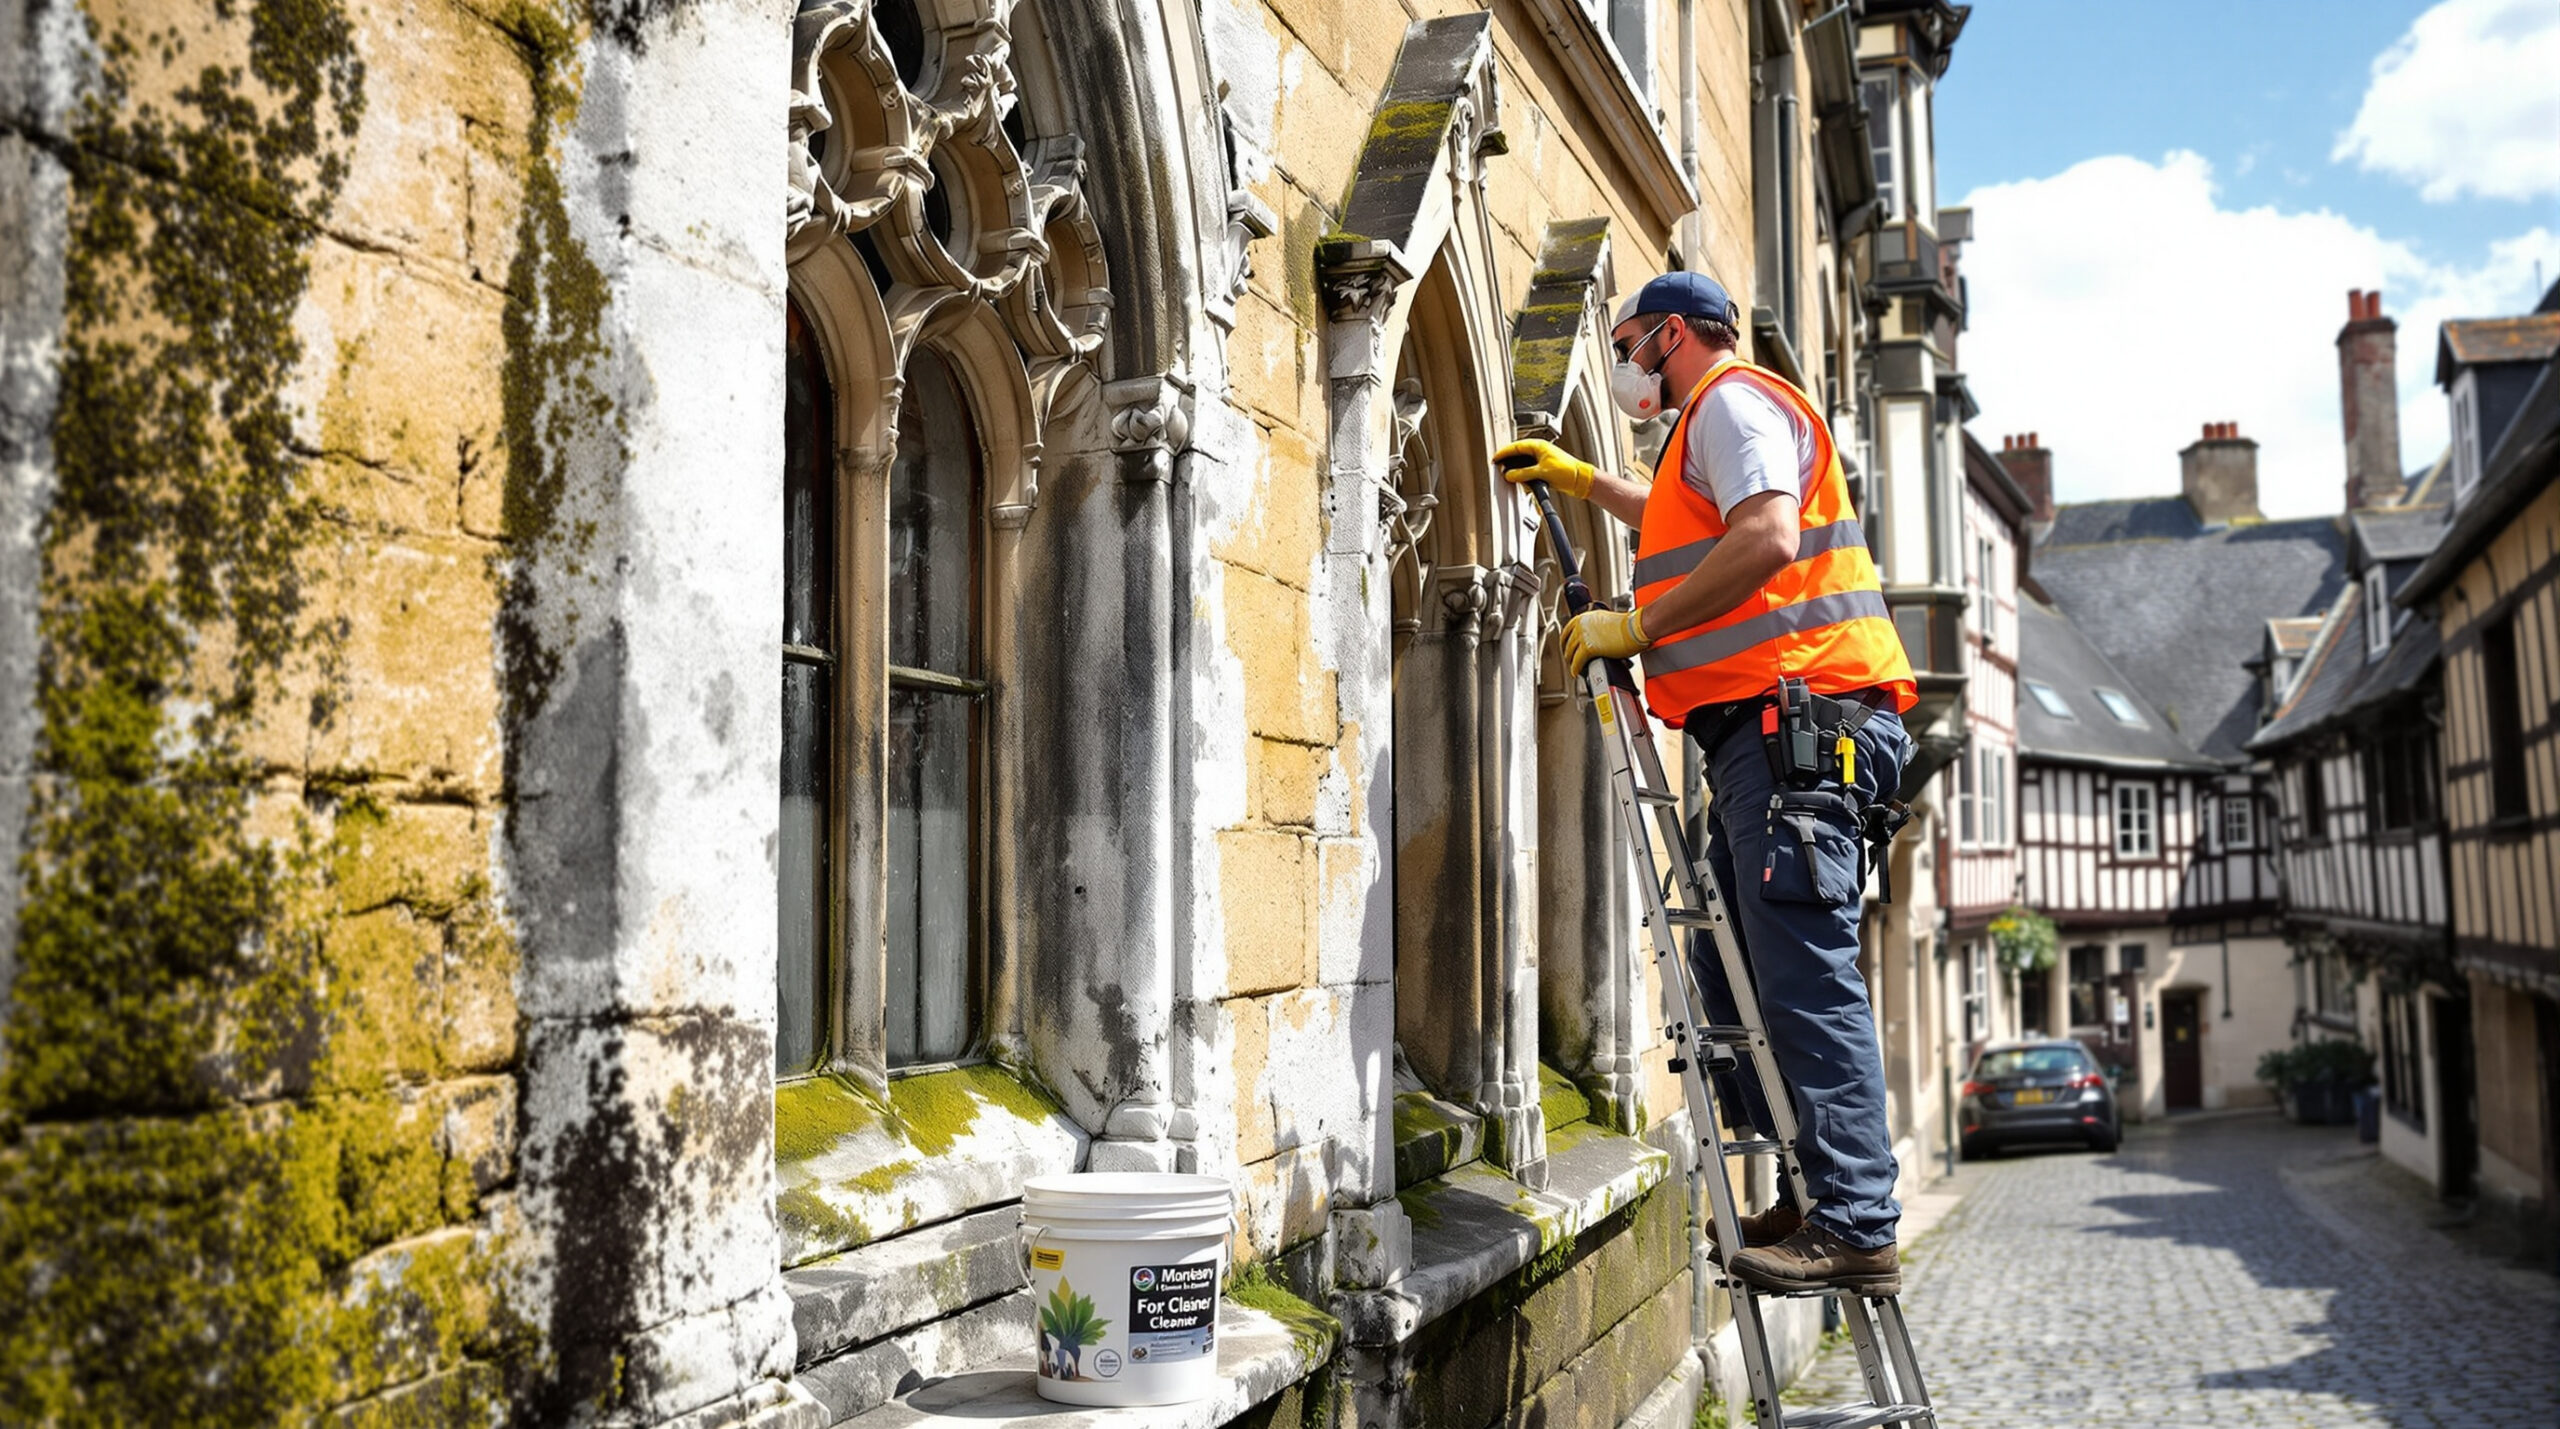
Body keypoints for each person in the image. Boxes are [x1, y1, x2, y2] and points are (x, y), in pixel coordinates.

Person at [1495, 270, 1918, 1296]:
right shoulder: (1710, 425)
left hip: (1798, 724)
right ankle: (1817, 1196)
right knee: (1738, 979)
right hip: (1764, 735)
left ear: (1674, 333)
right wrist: (1586, 480)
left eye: (1635, 343)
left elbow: (1765, 535)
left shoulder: (1732, 399)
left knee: (1805, 982)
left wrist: (1640, 626)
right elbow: (1694, 520)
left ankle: (1855, 1222)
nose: (1630, 365)